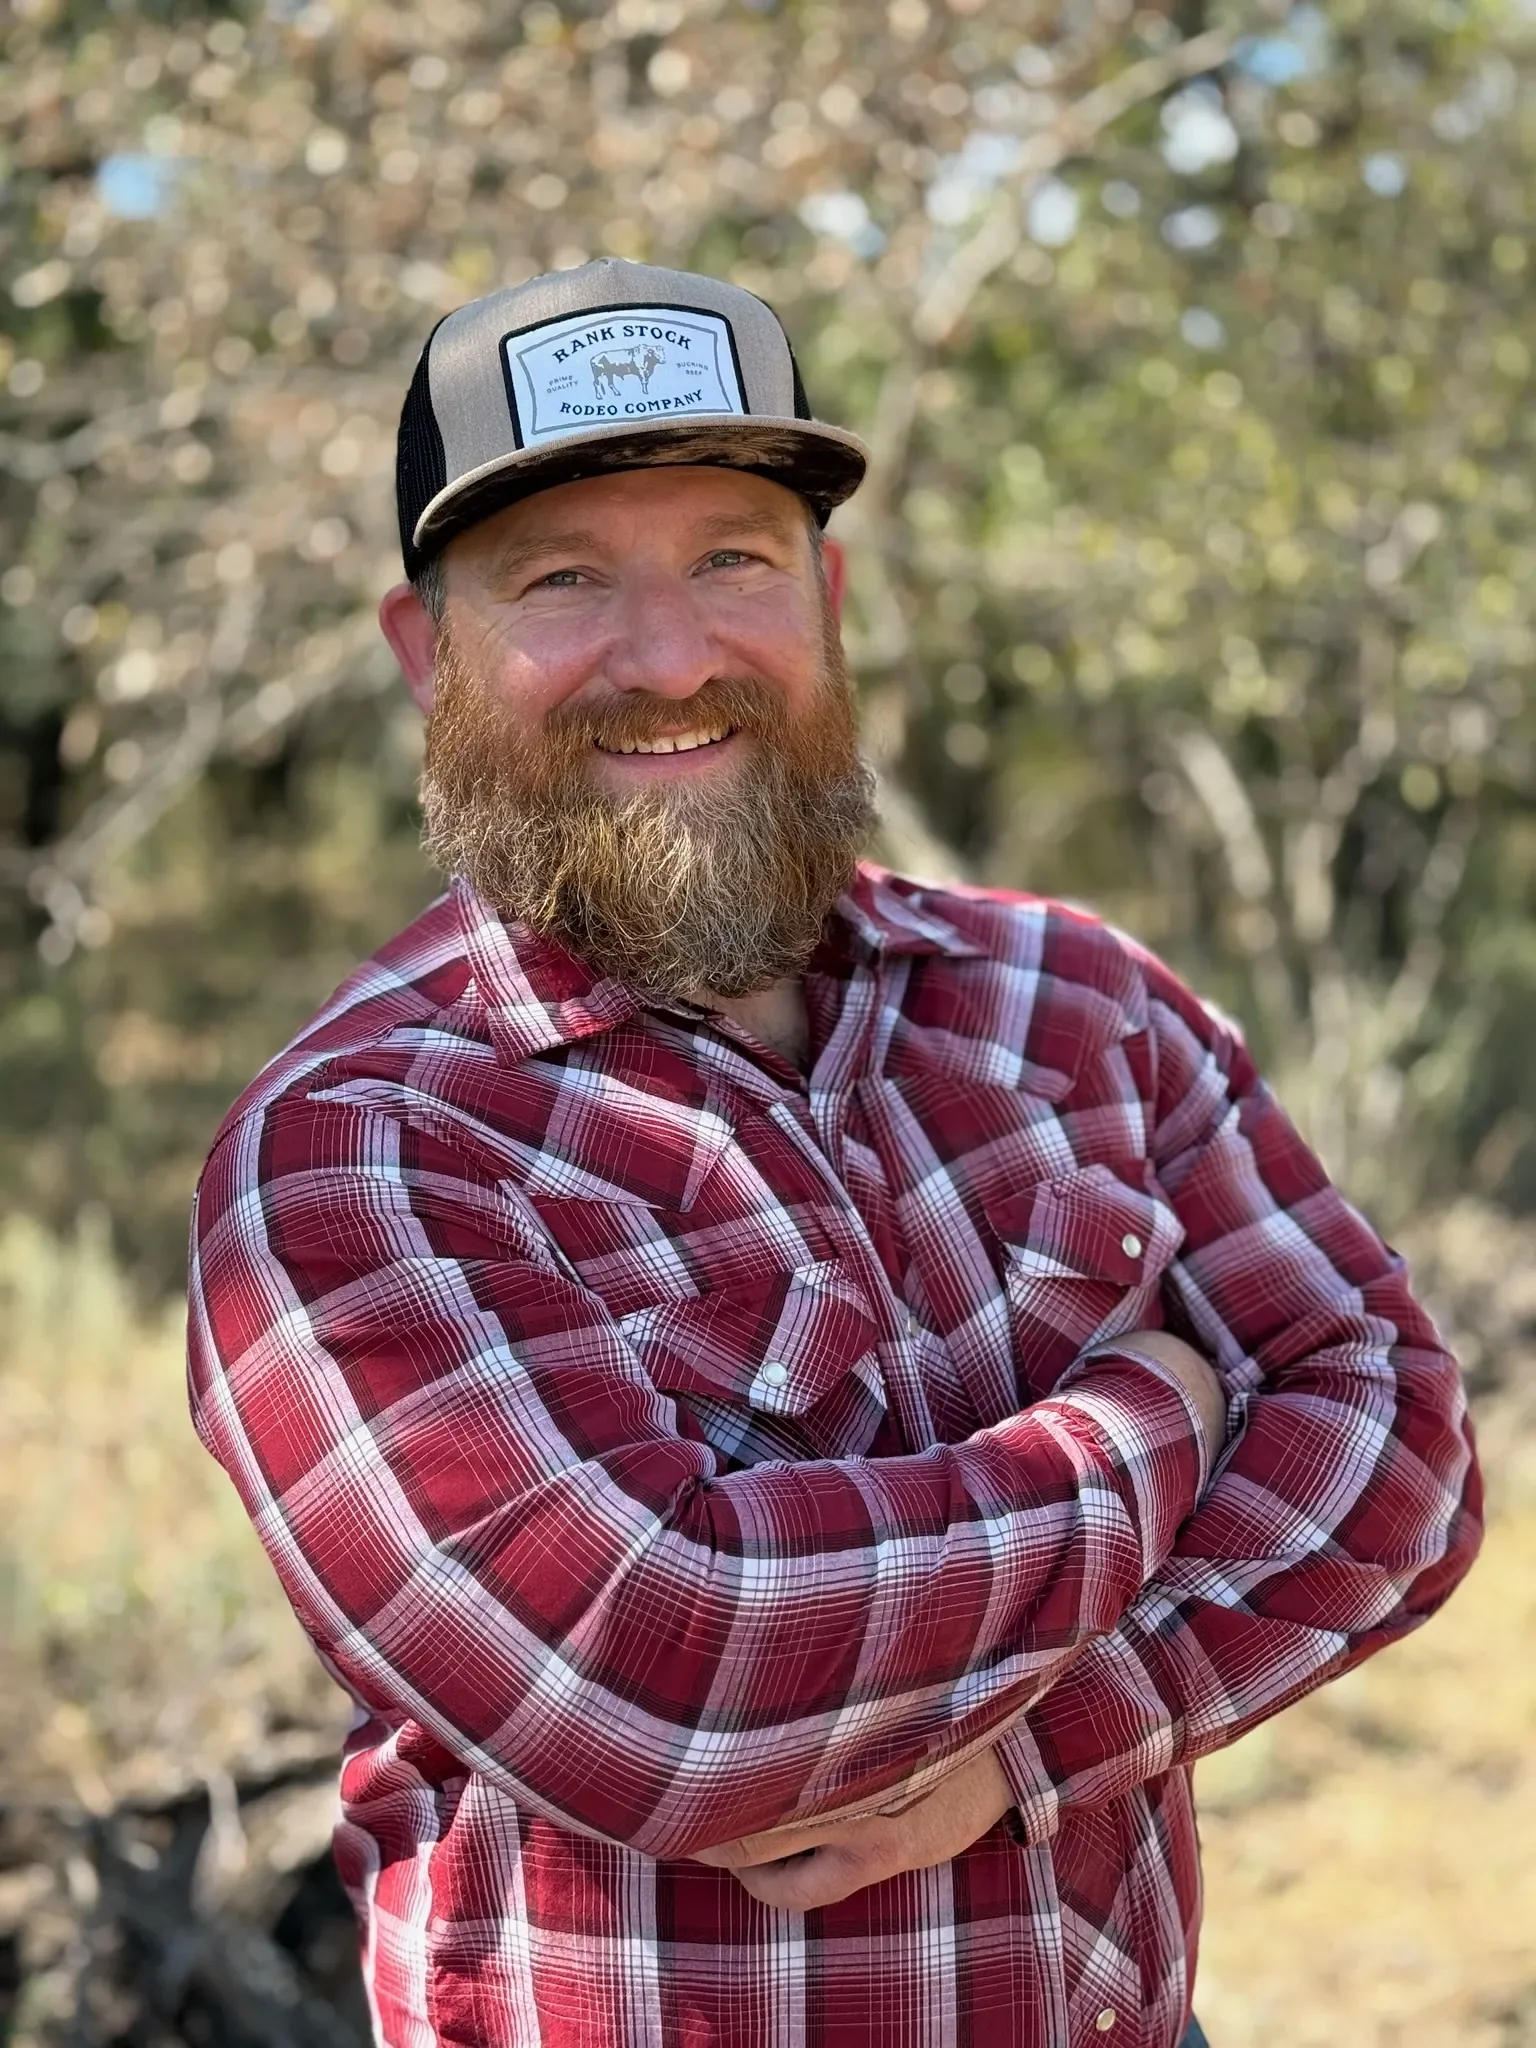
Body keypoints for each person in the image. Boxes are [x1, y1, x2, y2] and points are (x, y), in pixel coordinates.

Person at [187, 260, 1482, 2048]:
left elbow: (1399, 1435)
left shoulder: (1075, 999)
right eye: (562, 579)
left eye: (734, 557)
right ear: (429, 655)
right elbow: (664, 1679)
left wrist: (1042, 1747)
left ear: (830, 597)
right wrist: (1162, 1410)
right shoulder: (358, 1151)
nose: (672, 657)